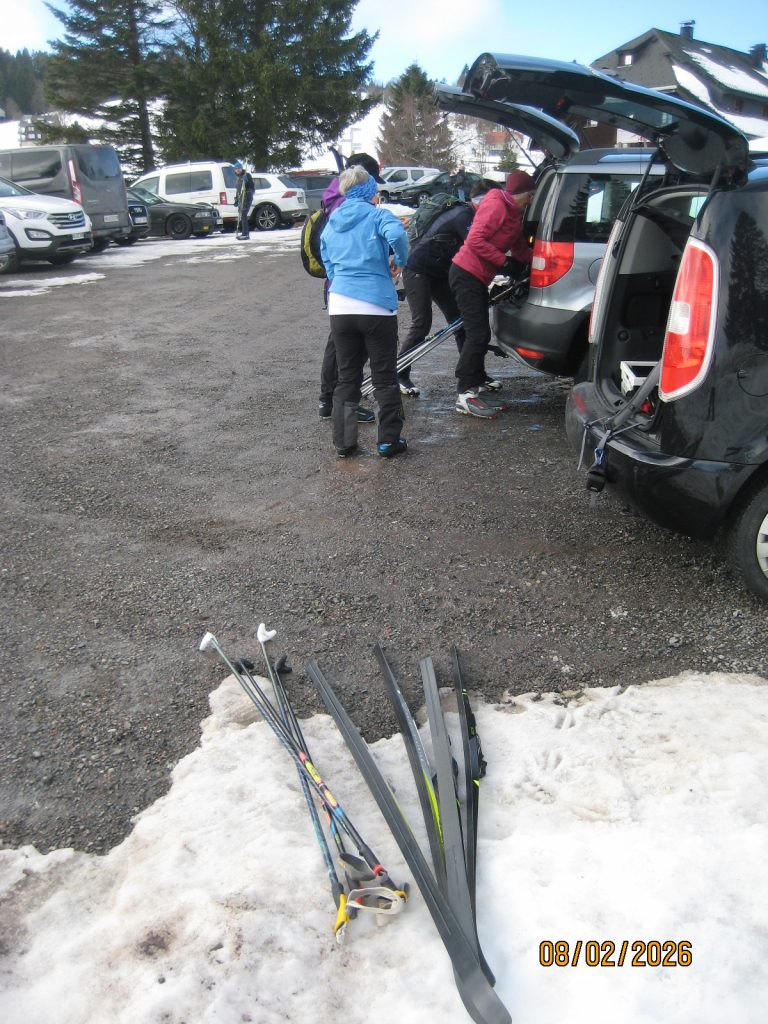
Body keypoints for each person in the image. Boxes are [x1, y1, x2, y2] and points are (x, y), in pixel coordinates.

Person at [320, 164, 409, 459]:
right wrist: (399, 261)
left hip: (341, 305)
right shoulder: (378, 215)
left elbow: (325, 256)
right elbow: (398, 236)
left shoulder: (333, 220)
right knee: (384, 376)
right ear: (371, 192)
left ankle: (344, 443)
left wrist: (339, 279)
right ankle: (388, 441)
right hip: (376, 305)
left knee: (348, 377)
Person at [449, 170, 535, 418]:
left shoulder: (515, 213)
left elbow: (519, 248)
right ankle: (464, 393)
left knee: (480, 332)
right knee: (477, 333)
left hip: (478, 277)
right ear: (519, 193)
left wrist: (541, 261)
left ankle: (475, 387)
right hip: (465, 273)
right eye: (530, 195)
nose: (531, 200)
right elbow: (475, 240)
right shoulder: (496, 204)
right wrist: (503, 262)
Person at [397, 182, 490, 397]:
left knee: (461, 321)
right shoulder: (464, 216)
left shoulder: (470, 215)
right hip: (417, 270)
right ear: (481, 202)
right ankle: (400, 374)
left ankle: (475, 374)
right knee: (421, 324)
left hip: (440, 272)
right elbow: (476, 248)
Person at [317, 152, 383, 425]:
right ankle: (338, 405)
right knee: (348, 353)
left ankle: (330, 403)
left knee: (339, 345)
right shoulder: (347, 204)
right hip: (350, 286)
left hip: (340, 285)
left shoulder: (335, 198)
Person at [232, 161, 254, 239]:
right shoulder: (238, 178)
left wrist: (247, 182)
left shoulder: (247, 175)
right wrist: (236, 199)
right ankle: (244, 233)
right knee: (241, 214)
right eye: (236, 168)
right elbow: (238, 190)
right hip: (241, 197)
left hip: (247, 196)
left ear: (241, 168)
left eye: (239, 168)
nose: (238, 170)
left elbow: (252, 186)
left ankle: (246, 234)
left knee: (244, 214)